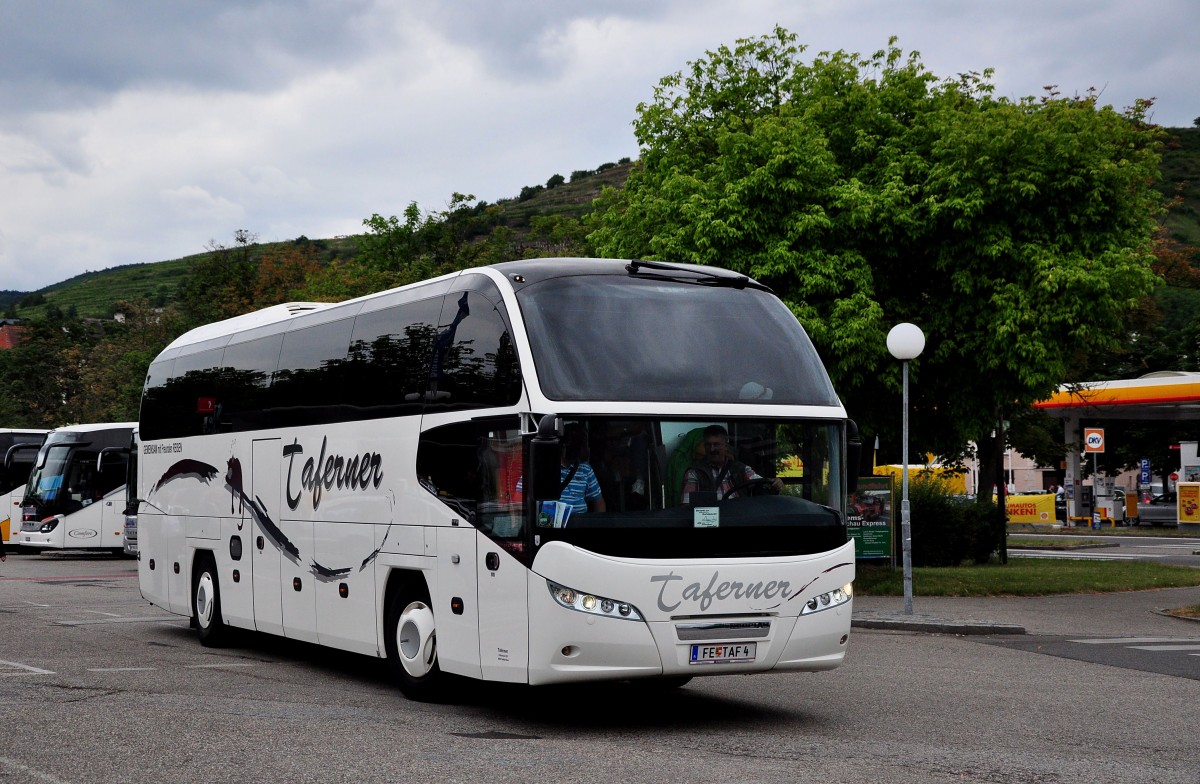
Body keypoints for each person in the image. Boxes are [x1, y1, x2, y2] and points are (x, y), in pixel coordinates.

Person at [681, 424, 783, 503]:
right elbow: (688, 507)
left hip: (738, 520)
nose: (712, 449)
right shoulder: (695, 473)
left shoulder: (741, 469)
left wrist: (775, 483)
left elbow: (763, 484)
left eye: (716, 444)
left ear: (726, 445)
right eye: (708, 445)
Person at [558, 424, 605, 515]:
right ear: (562, 444)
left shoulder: (585, 469)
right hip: (552, 523)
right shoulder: (544, 466)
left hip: (579, 524)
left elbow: (598, 501)